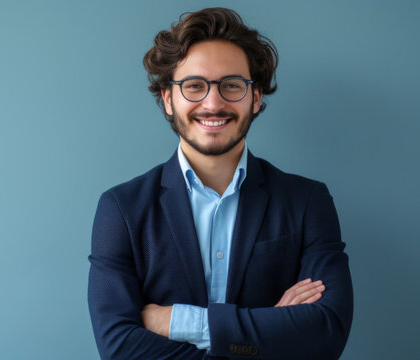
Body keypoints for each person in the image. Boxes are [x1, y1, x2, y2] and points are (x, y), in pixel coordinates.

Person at [87, 7, 353, 360]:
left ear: (255, 98)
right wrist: (272, 325)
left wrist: (178, 321)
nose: (213, 103)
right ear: (168, 99)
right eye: (194, 86)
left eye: (232, 85)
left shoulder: (307, 201)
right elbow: (118, 347)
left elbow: (325, 334)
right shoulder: (121, 209)